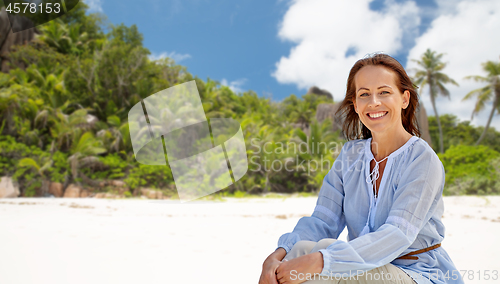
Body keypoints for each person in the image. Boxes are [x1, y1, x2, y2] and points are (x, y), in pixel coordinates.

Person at [258, 53, 464, 284]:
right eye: (364, 94)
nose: (374, 102)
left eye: (384, 92)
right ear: (355, 105)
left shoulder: (421, 159)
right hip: (362, 266)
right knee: (304, 249)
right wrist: (278, 255)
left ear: (404, 99)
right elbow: (323, 221)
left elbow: (396, 235)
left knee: (325, 264)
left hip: (418, 273)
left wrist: (322, 261)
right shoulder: (350, 155)